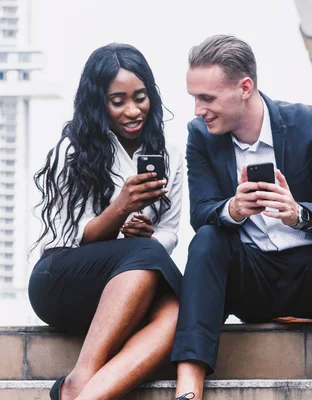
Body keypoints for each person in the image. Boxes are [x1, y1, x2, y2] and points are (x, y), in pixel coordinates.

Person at [171, 34, 312, 400]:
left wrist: (299, 214)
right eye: (195, 97)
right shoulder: (200, 136)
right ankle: (187, 391)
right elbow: (201, 213)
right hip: (251, 284)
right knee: (207, 237)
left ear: (245, 87)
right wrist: (232, 210)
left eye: (207, 98)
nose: (198, 110)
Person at [28, 43, 184, 400]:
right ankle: (83, 376)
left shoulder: (170, 156)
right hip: (63, 280)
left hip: (132, 288)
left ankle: (79, 393)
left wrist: (146, 237)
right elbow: (72, 236)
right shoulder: (74, 150)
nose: (133, 110)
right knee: (148, 257)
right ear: (100, 104)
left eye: (140, 97)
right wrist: (120, 209)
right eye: (118, 101)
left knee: (178, 313)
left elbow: (171, 231)